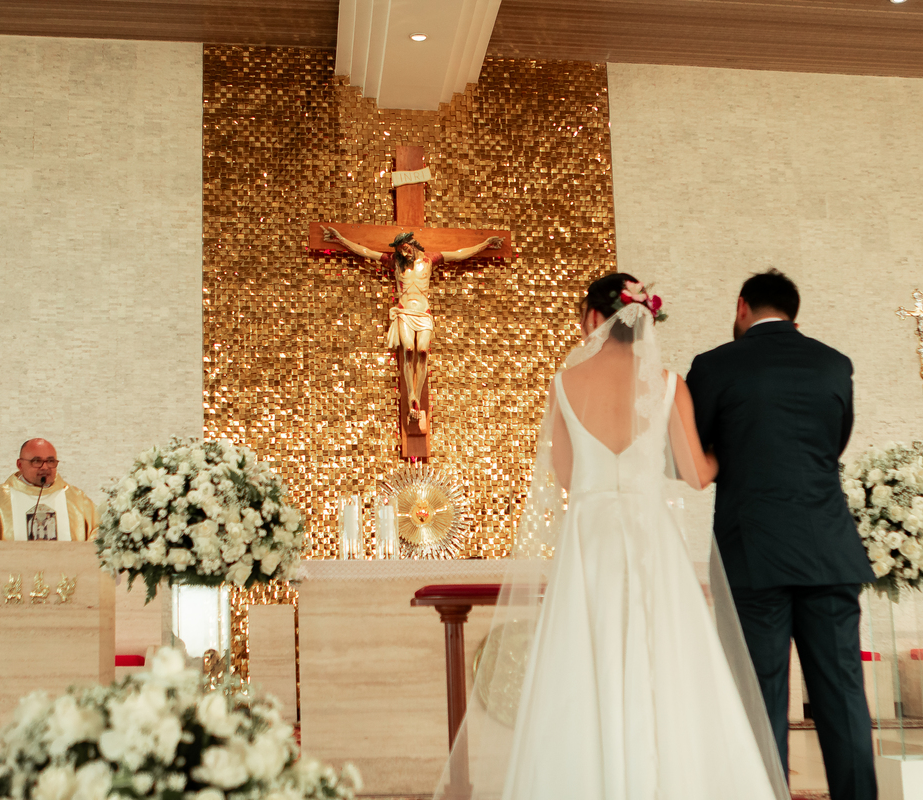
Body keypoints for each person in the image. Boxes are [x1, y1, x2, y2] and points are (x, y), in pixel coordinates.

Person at [435, 273, 789, 800]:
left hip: (591, 542)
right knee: (665, 663)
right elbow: (695, 473)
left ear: (596, 319)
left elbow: (566, 476)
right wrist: (720, 455)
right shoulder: (667, 383)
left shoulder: (564, 383)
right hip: (651, 540)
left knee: (587, 664)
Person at [686, 270, 877, 800]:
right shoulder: (834, 364)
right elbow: (832, 446)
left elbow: (694, 453)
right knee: (842, 696)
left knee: (760, 697)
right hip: (830, 550)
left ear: (741, 306)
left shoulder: (715, 365)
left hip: (754, 553)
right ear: (795, 313)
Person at [322, 228, 502, 426]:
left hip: (423, 313)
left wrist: (485, 245)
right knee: (409, 350)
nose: (402, 252)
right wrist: (340, 239)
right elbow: (365, 251)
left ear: (413, 244)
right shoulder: (395, 262)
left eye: (404, 247)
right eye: (399, 249)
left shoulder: (430, 260)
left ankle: (417, 393)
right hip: (405, 312)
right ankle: (411, 397)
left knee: (422, 351)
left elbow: (460, 254)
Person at [0, 438, 97, 542]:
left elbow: (102, 532)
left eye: (50, 461)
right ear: (20, 464)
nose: (45, 467)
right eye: (36, 461)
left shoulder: (76, 499)